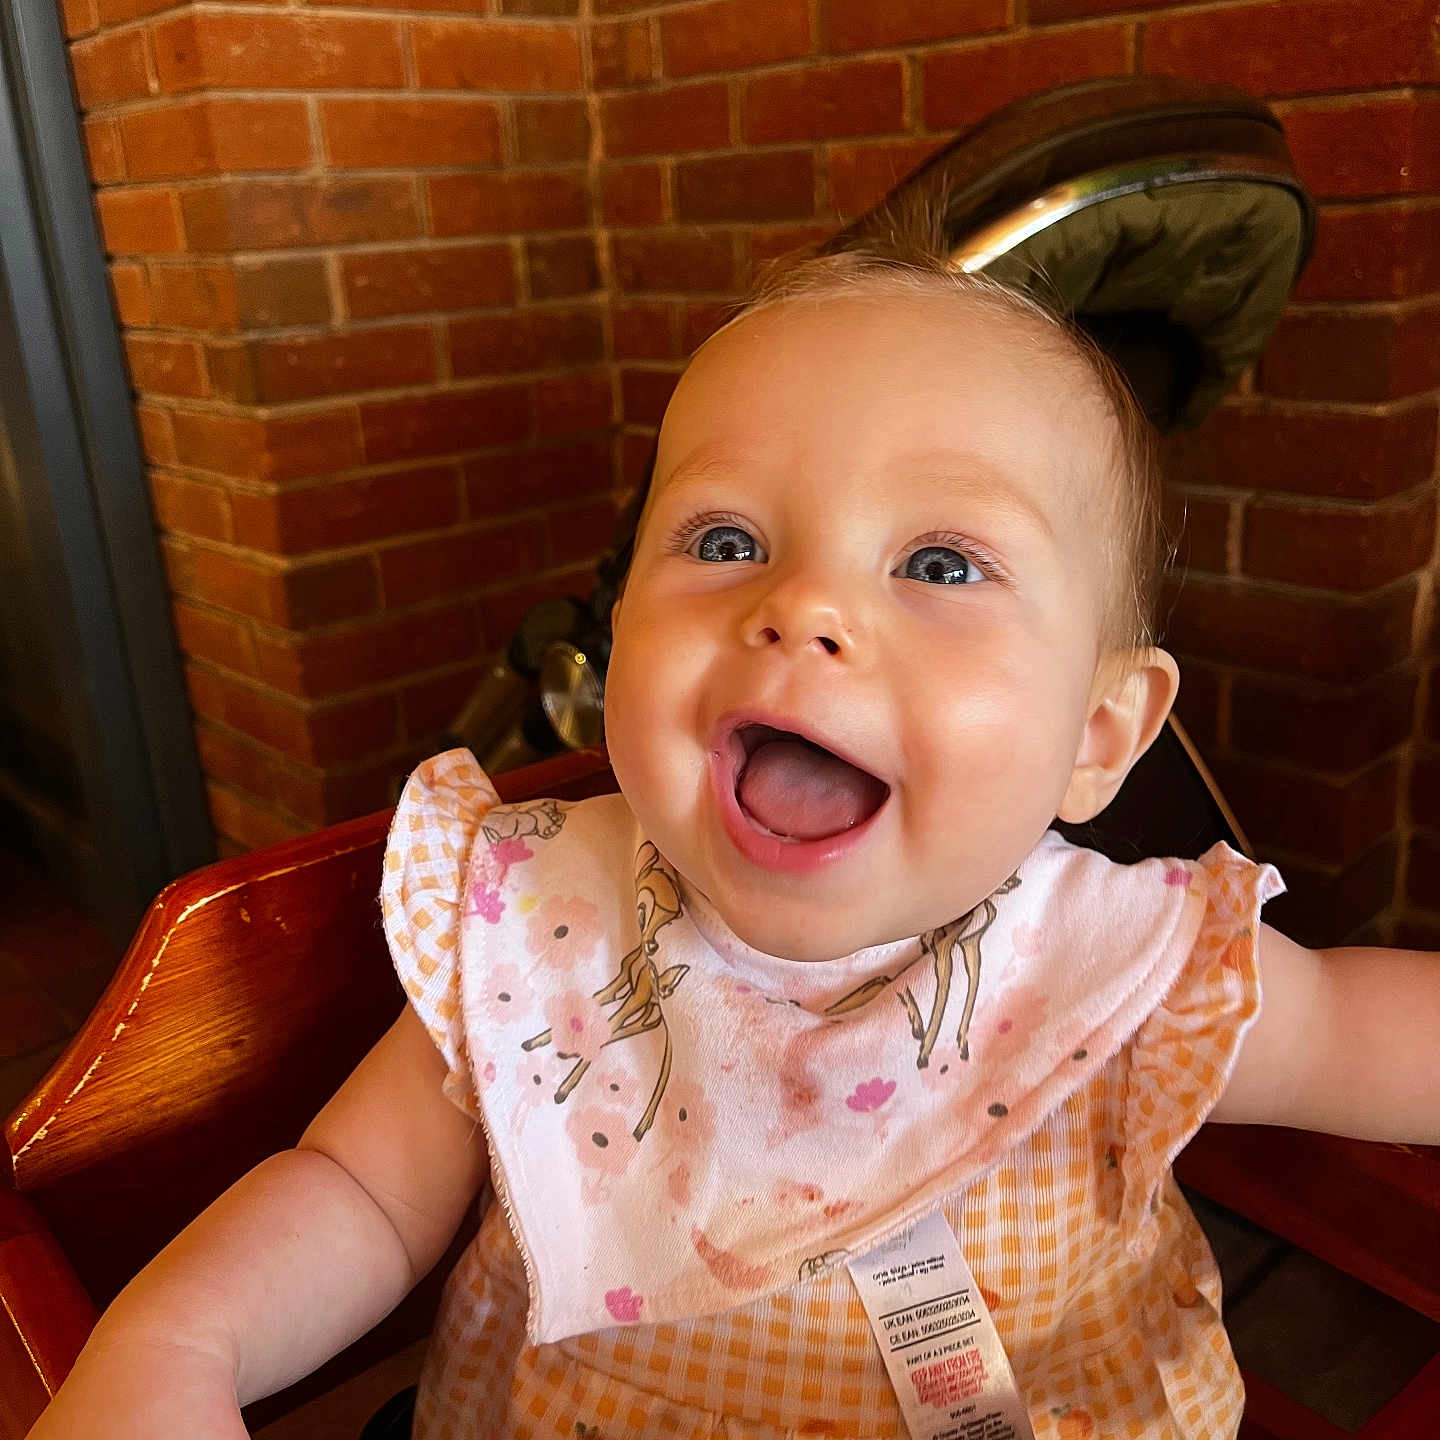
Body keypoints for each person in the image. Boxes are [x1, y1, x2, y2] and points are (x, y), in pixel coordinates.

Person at [31, 243, 1440, 1440]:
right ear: (620, 633)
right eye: (721, 540)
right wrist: (181, 1345)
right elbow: (359, 1197)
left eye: (940, 564)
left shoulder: (1112, 968)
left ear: (1097, 731)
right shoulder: (540, 927)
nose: (805, 603)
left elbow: (1372, 1032)